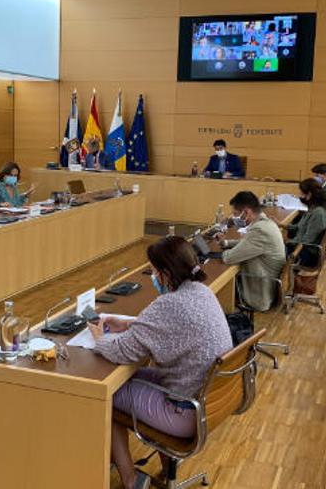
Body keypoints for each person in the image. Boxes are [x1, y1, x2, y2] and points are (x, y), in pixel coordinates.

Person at [87, 236, 232, 489]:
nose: (152, 276)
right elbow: (177, 325)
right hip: (206, 402)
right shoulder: (202, 292)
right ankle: (167, 470)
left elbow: (121, 351)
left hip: (184, 410)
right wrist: (130, 324)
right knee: (134, 377)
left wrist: (98, 337)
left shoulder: (169, 304)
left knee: (106, 397)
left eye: (153, 271)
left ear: (165, 273)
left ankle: (131, 481)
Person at [216, 191, 286, 311]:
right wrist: (226, 243)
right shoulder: (266, 223)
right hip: (268, 283)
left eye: (236, 214)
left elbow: (229, 258)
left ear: (247, 212)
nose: (234, 217)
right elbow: (249, 243)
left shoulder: (260, 230)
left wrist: (216, 254)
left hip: (261, 293)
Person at [286, 179, 326, 267]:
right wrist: (280, 224)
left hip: (306, 254)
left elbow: (307, 240)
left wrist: (293, 253)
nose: (299, 196)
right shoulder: (314, 208)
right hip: (301, 248)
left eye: (301, 194)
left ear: (309, 195)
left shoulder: (318, 213)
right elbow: (299, 227)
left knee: (268, 253)